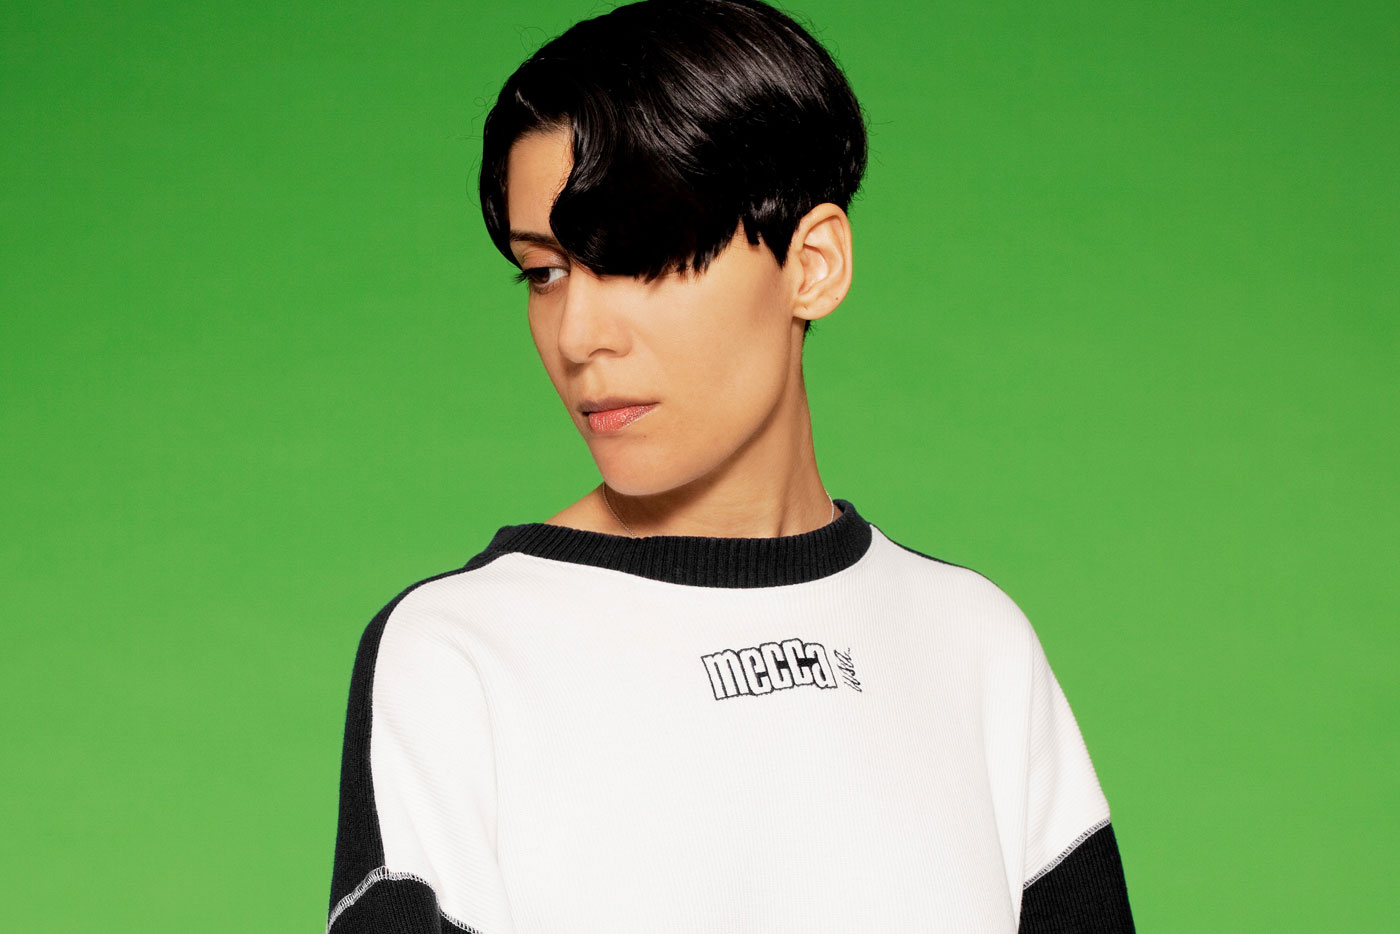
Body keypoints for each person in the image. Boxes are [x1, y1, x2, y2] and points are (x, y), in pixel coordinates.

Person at [326, 1, 1135, 931]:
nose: (579, 335)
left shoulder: (974, 642)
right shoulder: (459, 654)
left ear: (812, 264)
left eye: (638, 256)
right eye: (545, 272)